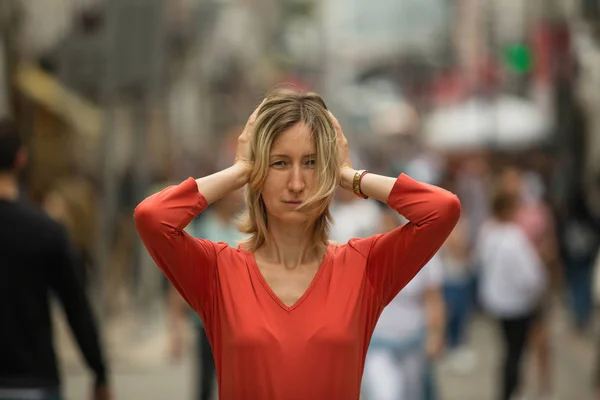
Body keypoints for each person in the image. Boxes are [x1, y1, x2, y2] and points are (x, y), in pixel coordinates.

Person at [134, 89, 461, 399]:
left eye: (312, 163)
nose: (296, 183)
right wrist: (238, 172)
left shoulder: (365, 267)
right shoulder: (217, 271)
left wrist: (350, 176)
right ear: (258, 171)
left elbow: (441, 210)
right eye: (279, 163)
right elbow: (152, 217)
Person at [0, 118, 111, 400]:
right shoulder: (46, 232)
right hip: (34, 379)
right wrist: (99, 372)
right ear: (21, 159)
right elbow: (76, 307)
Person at [169, 188, 245, 400]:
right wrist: (175, 330)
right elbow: (181, 278)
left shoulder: (243, 228)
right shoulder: (202, 229)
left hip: (238, 323)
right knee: (205, 384)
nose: (240, 199)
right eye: (235, 194)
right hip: (206, 324)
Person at [477, 190, 547, 400]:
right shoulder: (514, 237)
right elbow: (530, 275)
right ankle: (510, 392)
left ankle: (510, 390)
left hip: (496, 302)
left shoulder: (487, 231)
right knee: (515, 353)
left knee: (509, 350)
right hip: (517, 304)